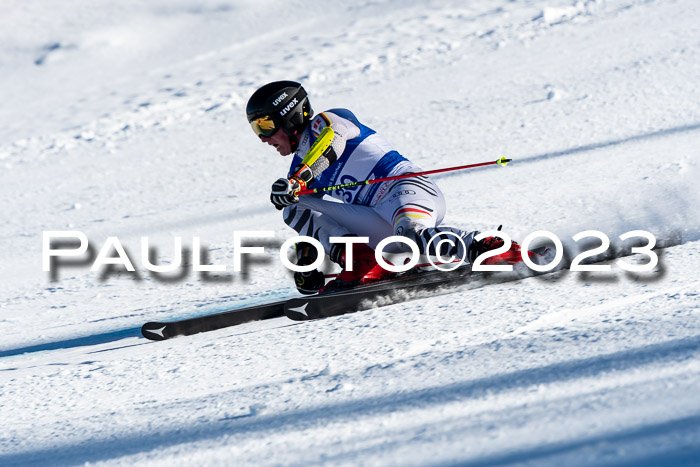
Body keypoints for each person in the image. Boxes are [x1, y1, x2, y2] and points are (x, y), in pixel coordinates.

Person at [246, 80, 511, 294]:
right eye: (257, 129)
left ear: (289, 116)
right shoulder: (298, 168)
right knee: (294, 205)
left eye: (265, 125)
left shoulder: (329, 121)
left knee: (410, 233)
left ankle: (488, 246)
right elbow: (314, 219)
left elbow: (332, 144)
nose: (263, 138)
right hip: (376, 221)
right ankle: (358, 260)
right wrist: (307, 261)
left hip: (406, 188)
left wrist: (301, 179)